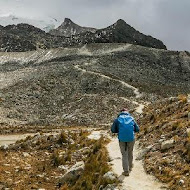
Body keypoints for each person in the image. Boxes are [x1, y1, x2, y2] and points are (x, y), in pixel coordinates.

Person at [111, 108, 139, 176]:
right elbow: (137, 129)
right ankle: (130, 166)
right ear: (127, 112)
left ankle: (126, 171)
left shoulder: (117, 119)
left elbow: (113, 130)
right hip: (131, 138)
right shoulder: (132, 118)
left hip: (122, 139)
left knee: (124, 154)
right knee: (130, 152)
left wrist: (119, 131)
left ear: (121, 112)